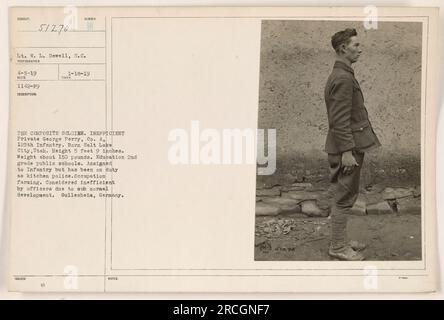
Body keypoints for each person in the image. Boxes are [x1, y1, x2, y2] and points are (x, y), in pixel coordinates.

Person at [324, 28, 382, 261]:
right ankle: (338, 248)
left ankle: (341, 242)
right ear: (342, 49)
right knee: (344, 198)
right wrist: (347, 152)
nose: (361, 49)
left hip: (348, 145)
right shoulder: (343, 78)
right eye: (356, 45)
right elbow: (339, 120)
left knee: (345, 195)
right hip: (347, 148)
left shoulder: (343, 75)